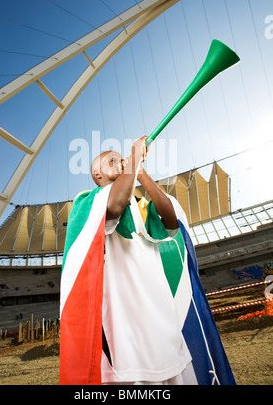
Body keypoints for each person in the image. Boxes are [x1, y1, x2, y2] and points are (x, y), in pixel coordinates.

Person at [59, 137, 236, 386]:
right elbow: (114, 205)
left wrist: (140, 173)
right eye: (113, 160)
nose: (120, 163)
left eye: (122, 160)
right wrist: (132, 159)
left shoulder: (142, 206)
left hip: (164, 334)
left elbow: (171, 221)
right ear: (96, 173)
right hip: (126, 345)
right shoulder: (87, 202)